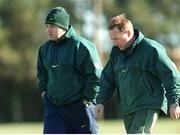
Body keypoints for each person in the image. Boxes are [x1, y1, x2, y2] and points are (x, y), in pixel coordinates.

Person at [95, 13, 180, 134]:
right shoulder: (116, 53)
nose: (114, 43)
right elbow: (107, 78)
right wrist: (100, 101)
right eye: (112, 39)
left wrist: (174, 102)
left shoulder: (151, 48)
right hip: (127, 107)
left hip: (148, 103)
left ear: (128, 33)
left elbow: (170, 74)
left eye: (116, 39)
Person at [37, 7, 102, 134]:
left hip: (80, 107)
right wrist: (44, 93)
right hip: (54, 108)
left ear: (63, 26)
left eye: (52, 26)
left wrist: (86, 100)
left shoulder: (81, 46)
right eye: (47, 26)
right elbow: (42, 73)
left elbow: (96, 76)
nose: (48, 30)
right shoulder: (44, 49)